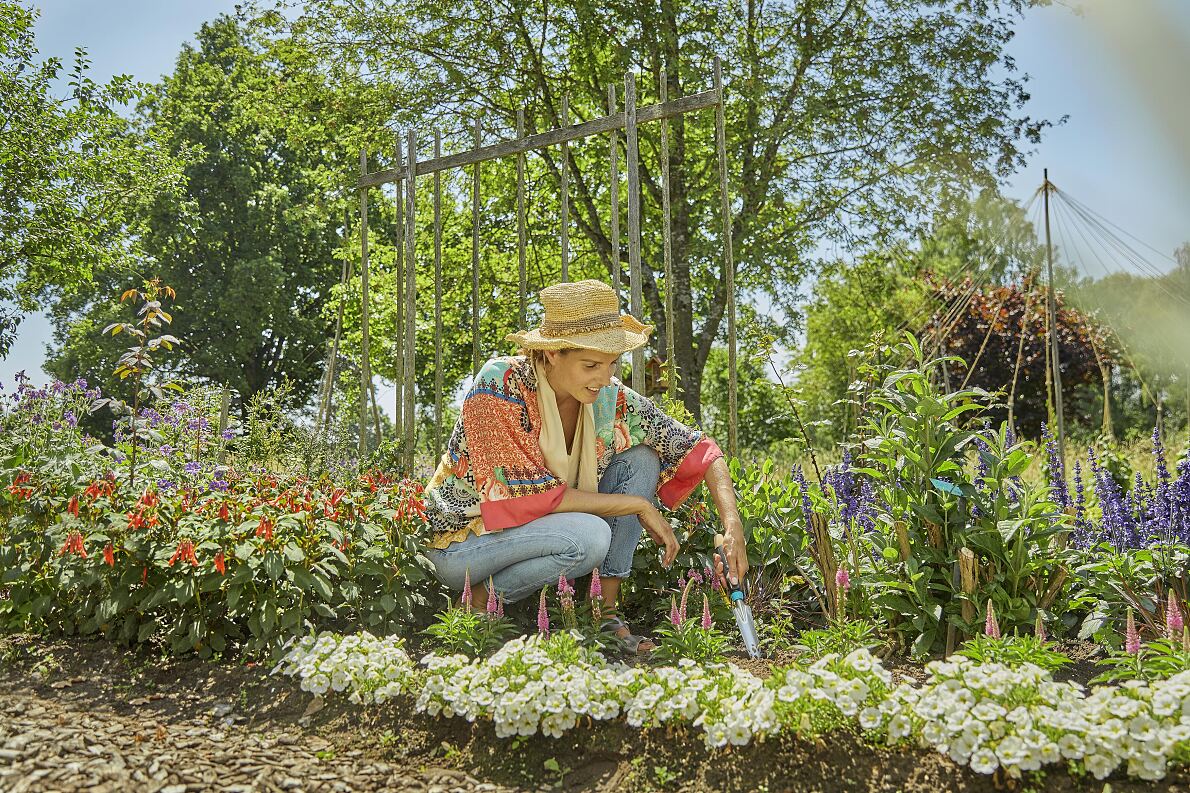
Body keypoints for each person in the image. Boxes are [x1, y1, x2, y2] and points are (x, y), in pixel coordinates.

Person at [421, 279, 748, 654]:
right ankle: (478, 600)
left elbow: (701, 449)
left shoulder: (609, 398)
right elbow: (521, 498)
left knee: (642, 457)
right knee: (589, 537)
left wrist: (732, 527)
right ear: (552, 355)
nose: (603, 377)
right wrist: (638, 506)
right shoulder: (500, 385)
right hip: (462, 543)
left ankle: (603, 614)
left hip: (536, 534)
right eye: (591, 364)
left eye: (611, 363)